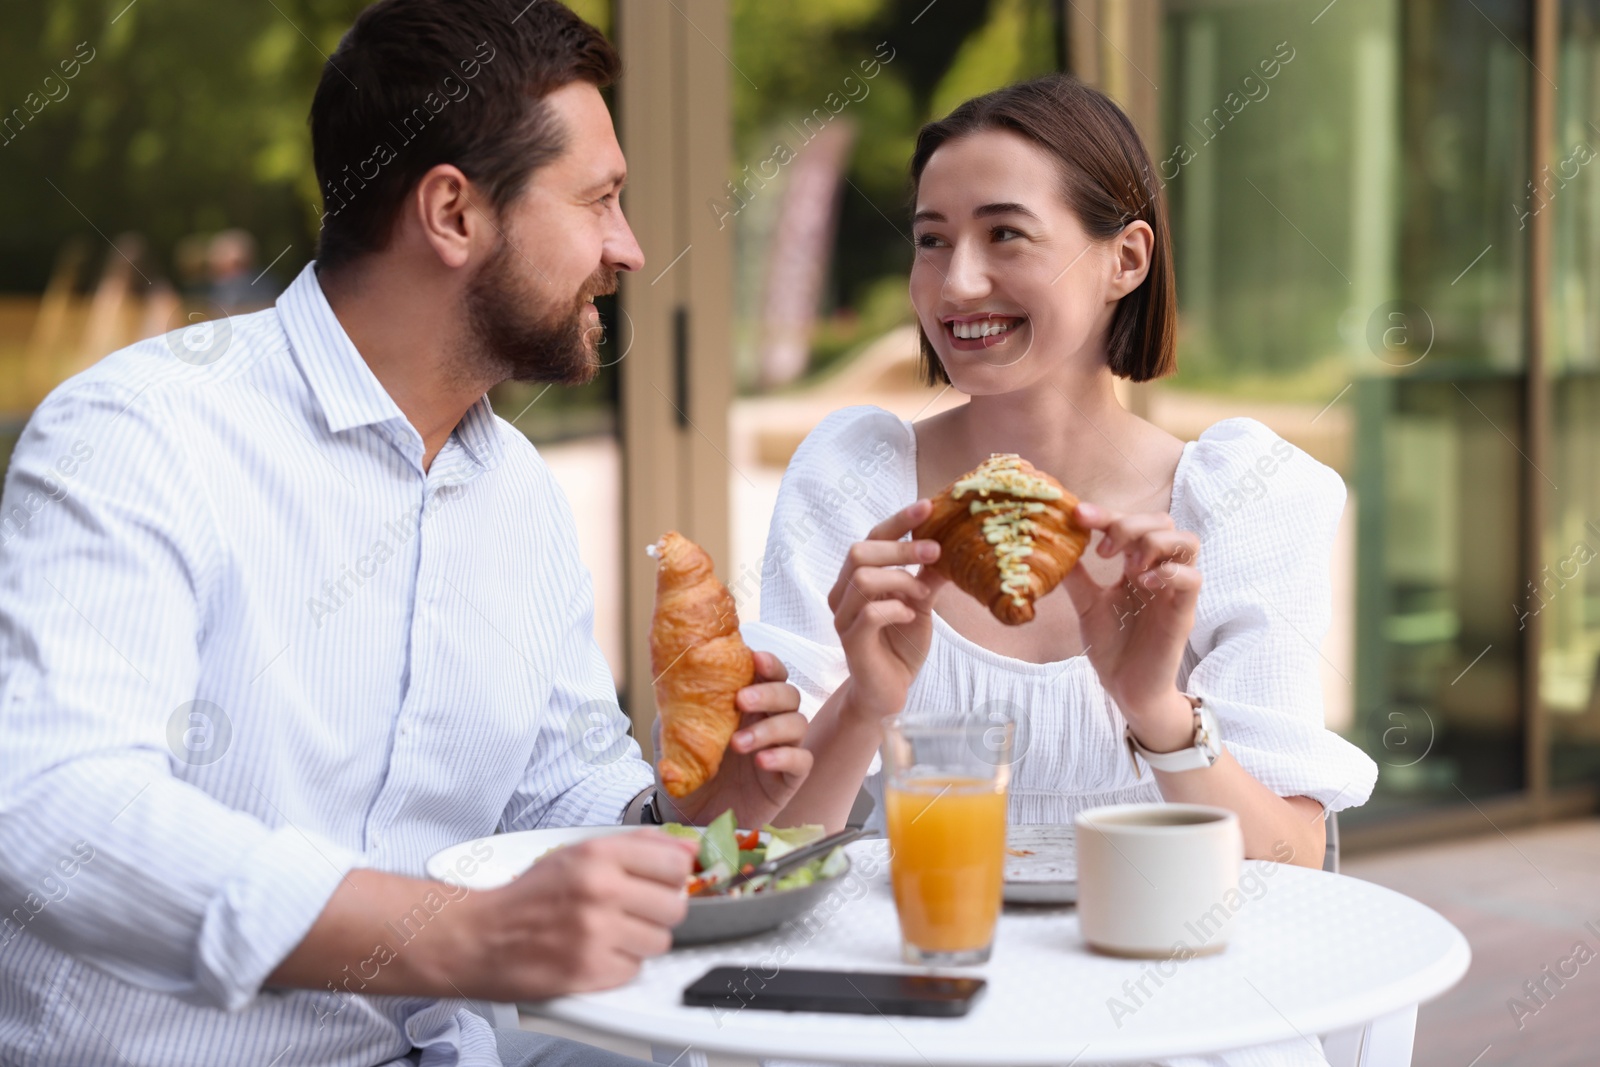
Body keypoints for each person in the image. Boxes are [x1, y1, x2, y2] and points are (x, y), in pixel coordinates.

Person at [0, 3, 812, 1065]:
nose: (630, 248)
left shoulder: (512, 486)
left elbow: (559, 795)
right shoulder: (142, 433)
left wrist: (688, 804)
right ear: (452, 214)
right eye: (601, 201)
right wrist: (452, 935)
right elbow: (52, 809)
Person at [747, 74, 1378, 1067]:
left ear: (1125, 258)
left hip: (1171, 1019)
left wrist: (1154, 710)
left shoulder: (1240, 498)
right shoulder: (853, 478)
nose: (955, 285)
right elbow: (763, 855)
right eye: (929, 238)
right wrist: (864, 704)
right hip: (911, 1006)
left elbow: (1290, 865)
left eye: (1005, 234)